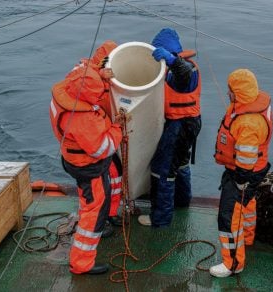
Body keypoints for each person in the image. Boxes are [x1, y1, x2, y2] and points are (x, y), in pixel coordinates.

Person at [49, 65, 123, 275]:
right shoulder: (81, 118)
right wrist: (117, 128)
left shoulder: (65, 90)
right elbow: (103, 147)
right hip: (88, 167)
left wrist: (98, 77)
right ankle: (81, 263)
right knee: (94, 212)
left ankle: (92, 215)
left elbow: (78, 76)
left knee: (91, 202)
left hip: (72, 159)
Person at [210, 69, 273, 277]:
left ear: (239, 93)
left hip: (243, 173)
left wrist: (240, 181)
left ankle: (233, 264)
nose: (228, 93)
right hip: (256, 170)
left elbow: (246, 159)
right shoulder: (253, 105)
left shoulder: (248, 122)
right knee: (248, 205)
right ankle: (247, 237)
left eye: (231, 90)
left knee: (229, 217)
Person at [137, 28, 202, 227]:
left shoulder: (184, 69)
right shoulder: (179, 69)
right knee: (180, 163)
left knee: (162, 169)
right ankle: (182, 201)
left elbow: (182, 73)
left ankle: (160, 218)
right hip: (190, 123)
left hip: (179, 126)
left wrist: (172, 61)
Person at [68, 40, 124, 233]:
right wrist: (118, 129)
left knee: (115, 174)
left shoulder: (95, 74)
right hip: (91, 145)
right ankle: (98, 224)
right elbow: (99, 146)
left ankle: (111, 212)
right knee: (96, 193)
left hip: (101, 134)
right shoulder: (82, 80)